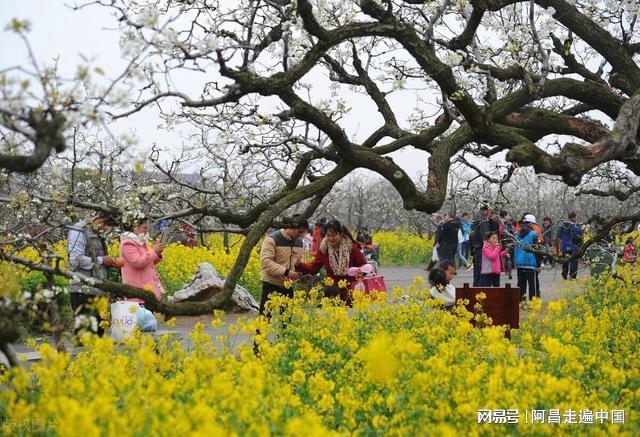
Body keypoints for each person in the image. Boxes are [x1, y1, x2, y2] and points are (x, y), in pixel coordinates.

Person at [67, 213, 120, 336]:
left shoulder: (96, 232)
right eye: (106, 225)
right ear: (99, 219)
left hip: (98, 289)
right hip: (83, 290)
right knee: (86, 335)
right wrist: (102, 260)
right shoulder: (79, 230)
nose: (106, 229)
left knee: (98, 333)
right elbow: (75, 260)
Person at [296, 220, 367, 304]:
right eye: (328, 235)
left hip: (351, 293)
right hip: (331, 293)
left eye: (333, 235)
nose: (330, 239)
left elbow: (364, 267)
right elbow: (313, 268)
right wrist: (299, 264)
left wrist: (359, 272)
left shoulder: (352, 248)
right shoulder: (324, 250)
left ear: (340, 234)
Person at [258, 215, 309, 316]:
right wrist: (287, 272)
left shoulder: (299, 242)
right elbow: (266, 262)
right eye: (299, 232)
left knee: (286, 323)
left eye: (303, 232)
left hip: (288, 286)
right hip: (271, 284)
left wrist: (299, 270)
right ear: (291, 227)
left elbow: (298, 262)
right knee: (264, 320)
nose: (301, 235)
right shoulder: (272, 239)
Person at [120, 218, 166, 302]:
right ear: (135, 227)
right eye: (144, 228)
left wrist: (157, 254)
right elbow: (137, 262)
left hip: (146, 289)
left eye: (147, 228)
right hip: (138, 290)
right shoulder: (128, 243)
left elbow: (148, 262)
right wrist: (153, 251)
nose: (146, 231)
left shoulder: (140, 242)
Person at [470, 205, 499, 286]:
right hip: (481, 249)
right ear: (486, 210)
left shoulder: (475, 219)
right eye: (490, 211)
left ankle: (475, 291)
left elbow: (471, 236)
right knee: (481, 275)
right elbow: (485, 237)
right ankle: (480, 294)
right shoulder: (483, 221)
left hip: (476, 249)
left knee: (476, 274)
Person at [514, 222, 540, 302]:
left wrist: (516, 261)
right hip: (530, 263)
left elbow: (515, 250)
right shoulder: (533, 234)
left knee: (521, 285)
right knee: (533, 285)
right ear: (530, 224)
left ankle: (521, 303)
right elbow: (536, 251)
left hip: (520, 263)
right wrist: (538, 265)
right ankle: (533, 303)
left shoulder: (517, 235)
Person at [558, 212, 583, 280]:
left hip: (565, 246)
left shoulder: (564, 225)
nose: (574, 219)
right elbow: (580, 235)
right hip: (574, 246)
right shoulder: (577, 226)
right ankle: (572, 276)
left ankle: (564, 274)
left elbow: (559, 235)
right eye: (573, 217)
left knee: (566, 261)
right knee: (574, 261)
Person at [498, 211, 514, 280]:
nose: (508, 217)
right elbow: (511, 232)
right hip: (508, 241)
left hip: (501, 241)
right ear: (504, 216)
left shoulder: (498, 223)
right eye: (507, 215)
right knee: (508, 256)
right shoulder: (508, 223)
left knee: (501, 256)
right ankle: (509, 272)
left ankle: (503, 270)